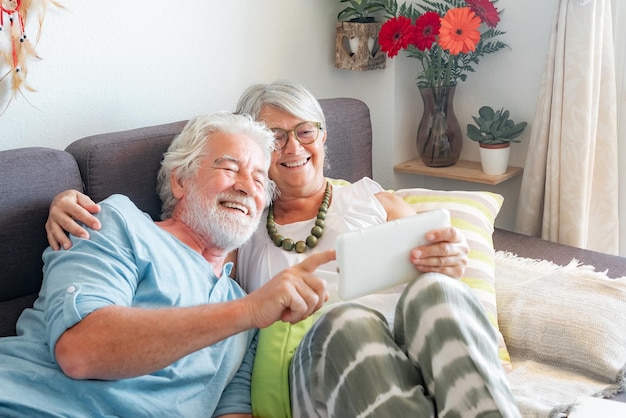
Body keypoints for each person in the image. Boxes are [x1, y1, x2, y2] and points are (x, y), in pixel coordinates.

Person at [46, 80, 521, 417]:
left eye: (305, 130)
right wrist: (68, 201)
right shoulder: (238, 230)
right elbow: (190, 261)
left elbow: (443, 268)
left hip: (410, 341)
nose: (293, 146)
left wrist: (449, 261)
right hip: (325, 359)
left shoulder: (375, 199)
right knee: (348, 321)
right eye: (273, 138)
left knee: (434, 293)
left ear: (323, 135)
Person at [0, 112, 334, 417]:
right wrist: (248, 311)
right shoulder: (118, 222)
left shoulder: (244, 313)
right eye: (229, 168)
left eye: (259, 180)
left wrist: (248, 313)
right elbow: (80, 351)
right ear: (180, 181)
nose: (247, 187)